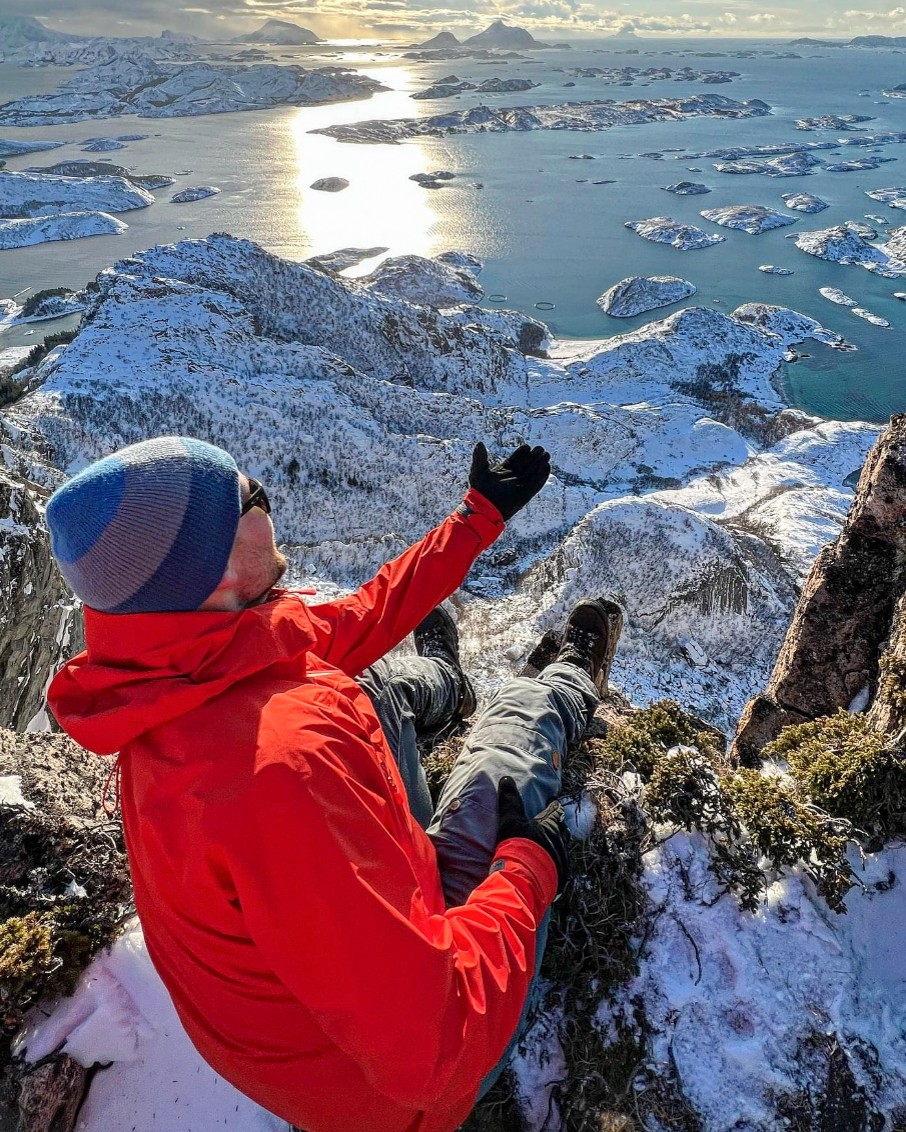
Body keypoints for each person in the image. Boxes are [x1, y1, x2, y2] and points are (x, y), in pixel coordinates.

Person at [45, 435, 623, 1132]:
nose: (265, 494)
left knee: (363, 677)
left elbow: (357, 621)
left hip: (320, 1001)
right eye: (249, 496)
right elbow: (437, 1042)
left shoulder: (178, 668)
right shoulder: (280, 773)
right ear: (217, 564)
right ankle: (569, 678)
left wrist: (475, 519)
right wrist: (530, 867)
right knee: (515, 728)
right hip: (394, 1094)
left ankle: (446, 683)